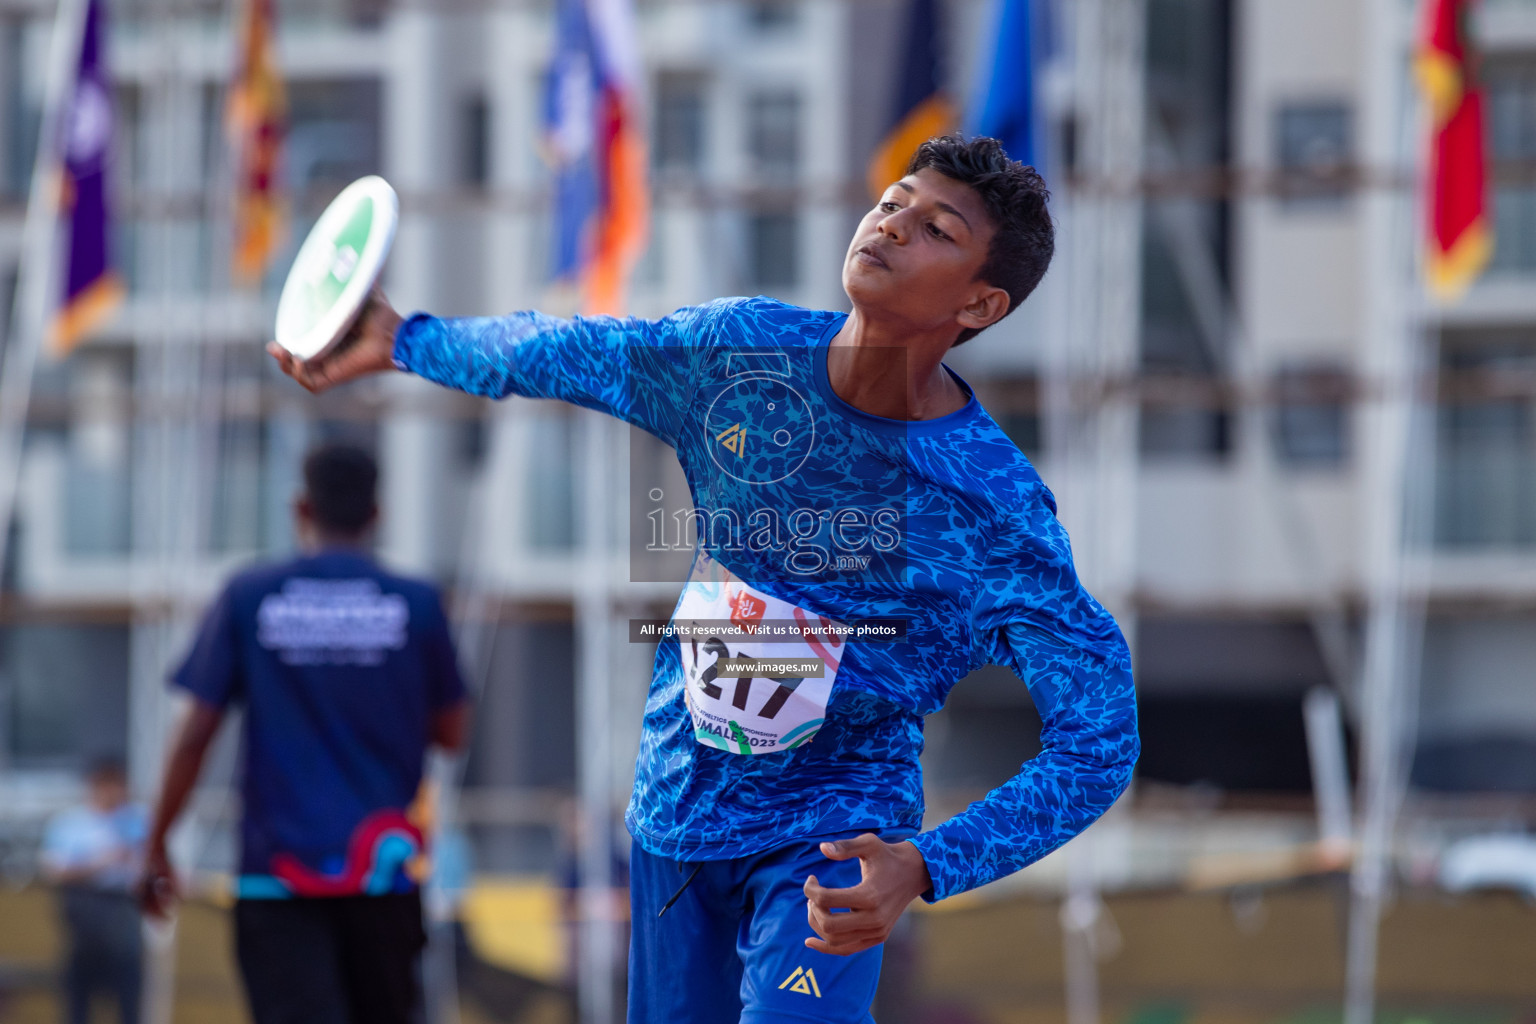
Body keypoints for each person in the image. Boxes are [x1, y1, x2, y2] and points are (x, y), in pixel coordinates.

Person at [269, 135, 1139, 1023]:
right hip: (673, 820)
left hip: (832, 840)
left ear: (981, 302)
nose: (891, 226)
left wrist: (927, 863)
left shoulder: (993, 507)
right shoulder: (738, 353)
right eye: (893, 203)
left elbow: (1099, 741)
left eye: (937, 229)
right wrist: (405, 339)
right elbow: (561, 350)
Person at [139, 443, 471, 1024]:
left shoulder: (251, 594)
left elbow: (194, 734)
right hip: (383, 877)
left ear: (300, 508)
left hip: (279, 876)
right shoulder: (417, 602)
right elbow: (451, 733)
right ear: (376, 514)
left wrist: (156, 843)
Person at [40, 757, 147, 1024]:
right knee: (80, 991)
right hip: (84, 908)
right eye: (107, 783)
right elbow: (53, 869)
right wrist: (100, 863)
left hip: (125, 907)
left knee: (128, 990)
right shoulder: (69, 822)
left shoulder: (139, 819)